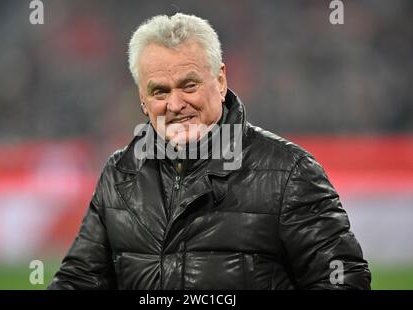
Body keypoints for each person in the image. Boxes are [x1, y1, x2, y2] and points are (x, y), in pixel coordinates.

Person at [48, 13, 371, 290]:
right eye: (160, 91)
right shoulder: (120, 175)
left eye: (189, 85)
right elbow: (78, 280)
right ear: (143, 101)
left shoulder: (290, 172)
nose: (175, 105)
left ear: (220, 80)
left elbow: (343, 280)